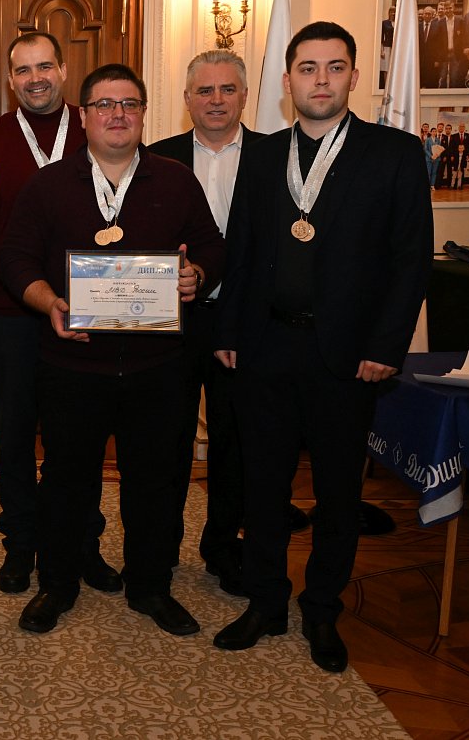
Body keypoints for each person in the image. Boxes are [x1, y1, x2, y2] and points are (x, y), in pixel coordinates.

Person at [212, 22, 432, 673]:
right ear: (288, 81)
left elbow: (410, 261)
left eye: (335, 67)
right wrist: (227, 332)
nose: (321, 80)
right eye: (308, 68)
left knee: (337, 493)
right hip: (266, 348)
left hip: (349, 356)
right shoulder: (261, 155)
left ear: (354, 77)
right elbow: (241, 251)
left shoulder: (394, 153)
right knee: (263, 486)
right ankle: (266, 602)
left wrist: (387, 345)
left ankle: (322, 608)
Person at [0, 63, 225, 635]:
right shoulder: (48, 185)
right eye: (104, 104)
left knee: (155, 484)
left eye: (129, 104)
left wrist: (196, 274)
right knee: (66, 482)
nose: (117, 114)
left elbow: (212, 247)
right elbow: (15, 260)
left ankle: (151, 588)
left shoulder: (175, 180)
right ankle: (57, 584)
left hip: (159, 369)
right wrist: (49, 301)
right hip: (70, 367)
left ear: (144, 113)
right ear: (84, 116)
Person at [0, 32, 121, 596]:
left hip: (86, 309)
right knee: (14, 437)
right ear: (11, 79)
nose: (35, 78)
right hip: (10, 312)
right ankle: (20, 543)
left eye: (44, 66)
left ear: (62, 70)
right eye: (23, 70)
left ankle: (83, 543)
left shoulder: (94, 127)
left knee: (79, 438)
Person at [147, 49, 264, 597]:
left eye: (227, 90)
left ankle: (222, 547)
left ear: (245, 96)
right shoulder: (156, 159)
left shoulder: (274, 158)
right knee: (164, 439)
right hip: (173, 322)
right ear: (187, 99)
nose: (216, 100)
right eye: (204, 91)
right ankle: (159, 548)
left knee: (234, 442)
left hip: (243, 323)